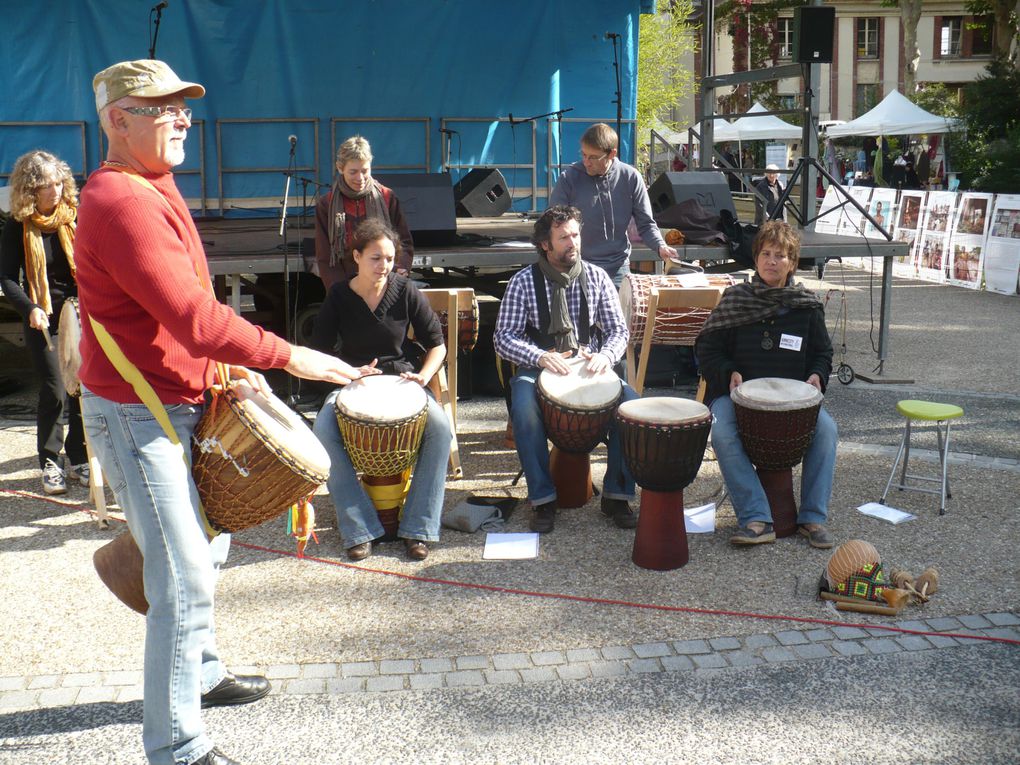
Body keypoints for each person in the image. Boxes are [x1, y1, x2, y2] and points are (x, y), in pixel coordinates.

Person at [76, 59, 363, 765]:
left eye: (184, 107)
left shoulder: (152, 183)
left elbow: (184, 309)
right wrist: (288, 355)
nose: (183, 119)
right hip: (135, 412)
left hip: (173, 396)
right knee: (182, 572)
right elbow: (193, 316)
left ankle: (200, 671)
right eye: (163, 108)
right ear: (117, 119)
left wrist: (221, 370)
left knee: (213, 539)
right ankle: (176, 745)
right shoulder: (121, 201)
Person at [311, 218, 450, 561]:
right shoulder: (339, 296)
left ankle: (418, 527)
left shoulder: (405, 290)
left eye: (389, 259)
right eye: (376, 258)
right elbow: (318, 352)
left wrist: (423, 375)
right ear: (356, 256)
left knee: (441, 430)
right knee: (323, 430)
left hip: (402, 381)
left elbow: (437, 345)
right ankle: (358, 528)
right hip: (351, 382)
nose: (384, 266)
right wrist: (348, 372)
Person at [494, 205, 638, 533]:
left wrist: (606, 355)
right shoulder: (522, 282)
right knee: (526, 411)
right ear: (546, 244)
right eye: (563, 237)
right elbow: (503, 338)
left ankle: (617, 495)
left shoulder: (598, 277)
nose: (572, 242)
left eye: (575, 234)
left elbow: (618, 331)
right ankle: (543, 500)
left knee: (632, 406)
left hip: (588, 364)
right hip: (537, 368)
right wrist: (539, 356)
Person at [695, 221, 837, 550]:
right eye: (766, 254)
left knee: (827, 431)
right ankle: (755, 518)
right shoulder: (736, 299)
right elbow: (707, 350)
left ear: (792, 262)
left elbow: (823, 353)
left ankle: (813, 517)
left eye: (780, 256)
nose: (771, 261)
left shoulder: (806, 306)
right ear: (756, 258)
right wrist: (727, 371)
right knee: (723, 433)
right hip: (736, 396)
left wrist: (817, 374)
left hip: (793, 401)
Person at [0, 150, 88, 494]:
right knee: (55, 389)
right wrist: (30, 308)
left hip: (80, 312)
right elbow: (7, 278)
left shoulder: (75, 218)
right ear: (29, 190)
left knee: (83, 387)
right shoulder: (17, 226)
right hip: (44, 317)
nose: (54, 190)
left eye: (58, 182)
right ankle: (51, 461)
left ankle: (80, 455)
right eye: (45, 186)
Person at [549, 123, 676, 284]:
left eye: (593, 157)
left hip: (618, 268)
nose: (586, 162)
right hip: (578, 267)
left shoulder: (630, 177)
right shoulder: (569, 178)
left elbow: (646, 224)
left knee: (621, 310)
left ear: (611, 154)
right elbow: (554, 222)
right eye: (584, 155)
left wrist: (660, 246)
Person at [314, 135, 414, 291]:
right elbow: (325, 255)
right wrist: (338, 289)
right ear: (340, 168)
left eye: (365, 170)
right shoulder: (326, 204)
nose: (360, 178)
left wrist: (401, 269)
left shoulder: (387, 197)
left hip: (384, 283)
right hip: (344, 284)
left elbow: (403, 241)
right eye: (353, 172)